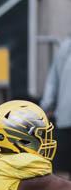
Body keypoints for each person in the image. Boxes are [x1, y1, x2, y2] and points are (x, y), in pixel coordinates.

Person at [40, 38, 71, 174]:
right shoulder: (67, 46)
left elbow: (52, 83)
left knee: (61, 178)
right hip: (65, 119)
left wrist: (45, 107)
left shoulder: (67, 46)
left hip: (65, 118)